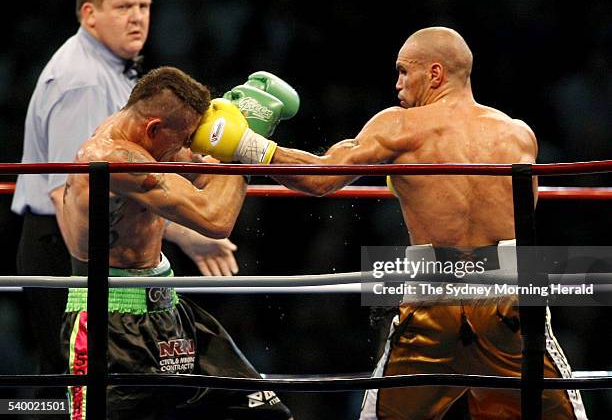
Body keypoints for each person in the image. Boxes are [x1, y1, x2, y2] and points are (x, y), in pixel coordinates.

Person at [194, 27, 587, 419]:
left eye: (403, 71)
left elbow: (320, 179)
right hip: (510, 292)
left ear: (435, 74)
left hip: (436, 291)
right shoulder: (519, 134)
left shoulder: (400, 125)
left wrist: (244, 143)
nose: (397, 84)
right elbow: (522, 217)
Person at [11, 0, 238, 390]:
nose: (137, 17)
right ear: (89, 14)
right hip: (66, 246)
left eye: (144, 6)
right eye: (123, 7)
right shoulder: (83, 81)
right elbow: (67, 192)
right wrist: (88, 280)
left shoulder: (114, 70)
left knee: (79, 387)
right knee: (71, 386)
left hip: (93, 251)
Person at [59, 66, 293, 420]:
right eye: (185, 139)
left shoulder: (154, 141)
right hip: (110, 322)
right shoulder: (113, 158)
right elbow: (216, 220)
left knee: (267, 413)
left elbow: (206, 174)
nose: (187, 148)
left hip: (171, 309)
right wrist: (244, 144)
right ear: (154, 128)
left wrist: (250, 143)